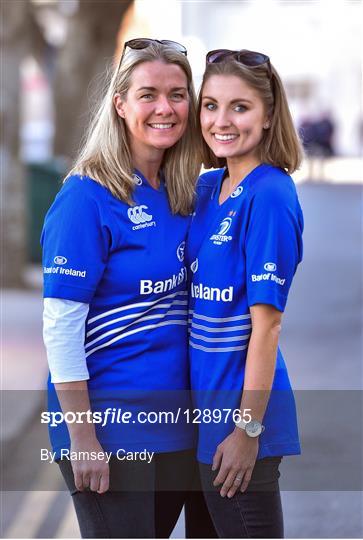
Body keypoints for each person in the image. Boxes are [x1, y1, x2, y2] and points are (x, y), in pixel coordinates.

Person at [41, 39, 216, 539]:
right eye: (148, 94)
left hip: (185, 428)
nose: (165, 108)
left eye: (178, 94)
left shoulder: (187, 191)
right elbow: (61, 329)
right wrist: (83, 438)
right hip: (114, 433)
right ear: (120, 104)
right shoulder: (85, 198)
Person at [187, 48, 304, 538]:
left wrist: (246, 430)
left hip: (236, 429)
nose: (221, 120)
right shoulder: (207, 187)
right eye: (211, 105)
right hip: (198, 421)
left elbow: (268, 324)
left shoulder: (270, 194)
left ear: (269, 114)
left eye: (240, 106)